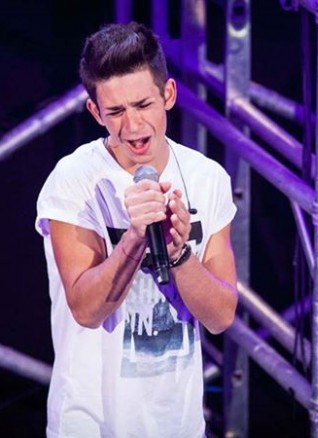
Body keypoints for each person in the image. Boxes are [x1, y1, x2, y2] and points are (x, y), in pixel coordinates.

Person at [35, 21, 238, 438]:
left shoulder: (207, 178)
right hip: (90, 425)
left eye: (143, 105)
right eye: (115, 112)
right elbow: (86, 310)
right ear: (96, 112)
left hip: (178, 425)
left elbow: (221, 316)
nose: (132, 127)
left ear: (169, 95)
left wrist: (179, 253)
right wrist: (133, 239)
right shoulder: (74, 180)